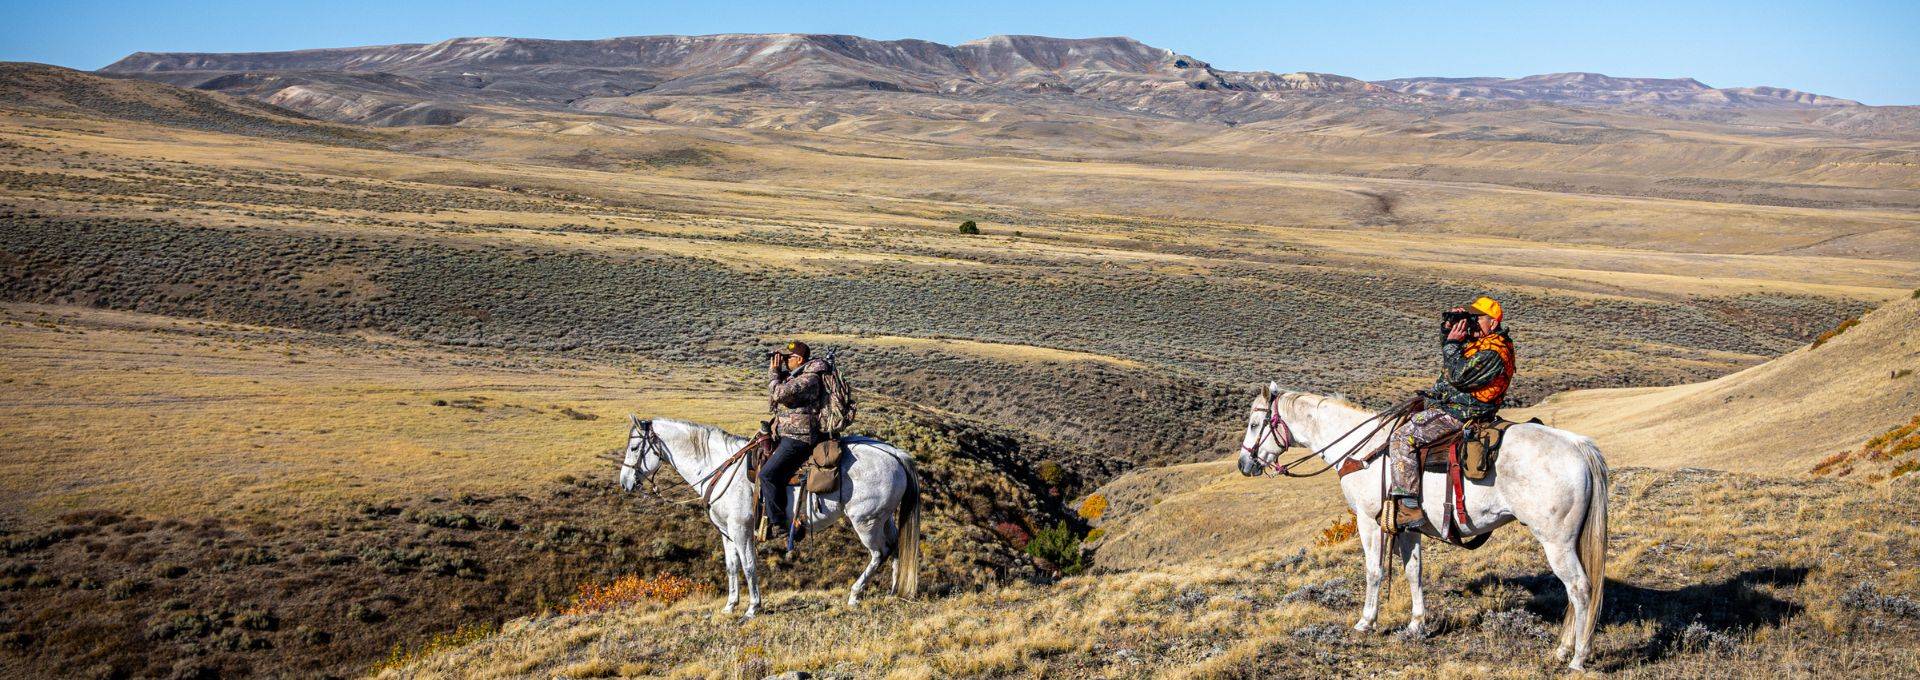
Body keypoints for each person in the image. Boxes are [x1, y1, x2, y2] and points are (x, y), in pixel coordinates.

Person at [1388, 296, 1515, 530]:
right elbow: (1451, 361)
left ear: (1493, 323)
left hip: (1463, 413)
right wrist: (1447, 332)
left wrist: (1452, 344)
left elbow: (1457, 374)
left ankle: (1408, 506)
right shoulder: (1483, 342)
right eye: (1470, 317)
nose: (1472, 322)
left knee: (1401, 438)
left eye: (1476, 318)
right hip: (1454, 404)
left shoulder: (1495, 351)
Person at [760, 341, 829, 544]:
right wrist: (781, 371)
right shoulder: (798, 376)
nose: (785, 360)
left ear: (799, 359)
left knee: (768, 474)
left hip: (800, 438)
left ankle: (779, 525)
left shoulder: (810, 379)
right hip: (788, 434)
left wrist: (774, 372)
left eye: (788, 358)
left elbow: (779, 393)